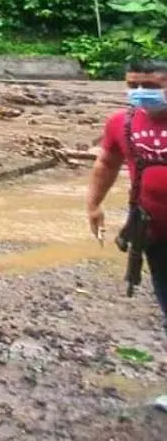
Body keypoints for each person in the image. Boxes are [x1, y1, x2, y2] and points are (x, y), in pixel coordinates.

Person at [87, 59, 167, 336]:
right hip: (154, 232)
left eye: (150, 85)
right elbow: (107, 164)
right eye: (133, 85)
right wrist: (94, 205)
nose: (140, 91)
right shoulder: (121, 123)